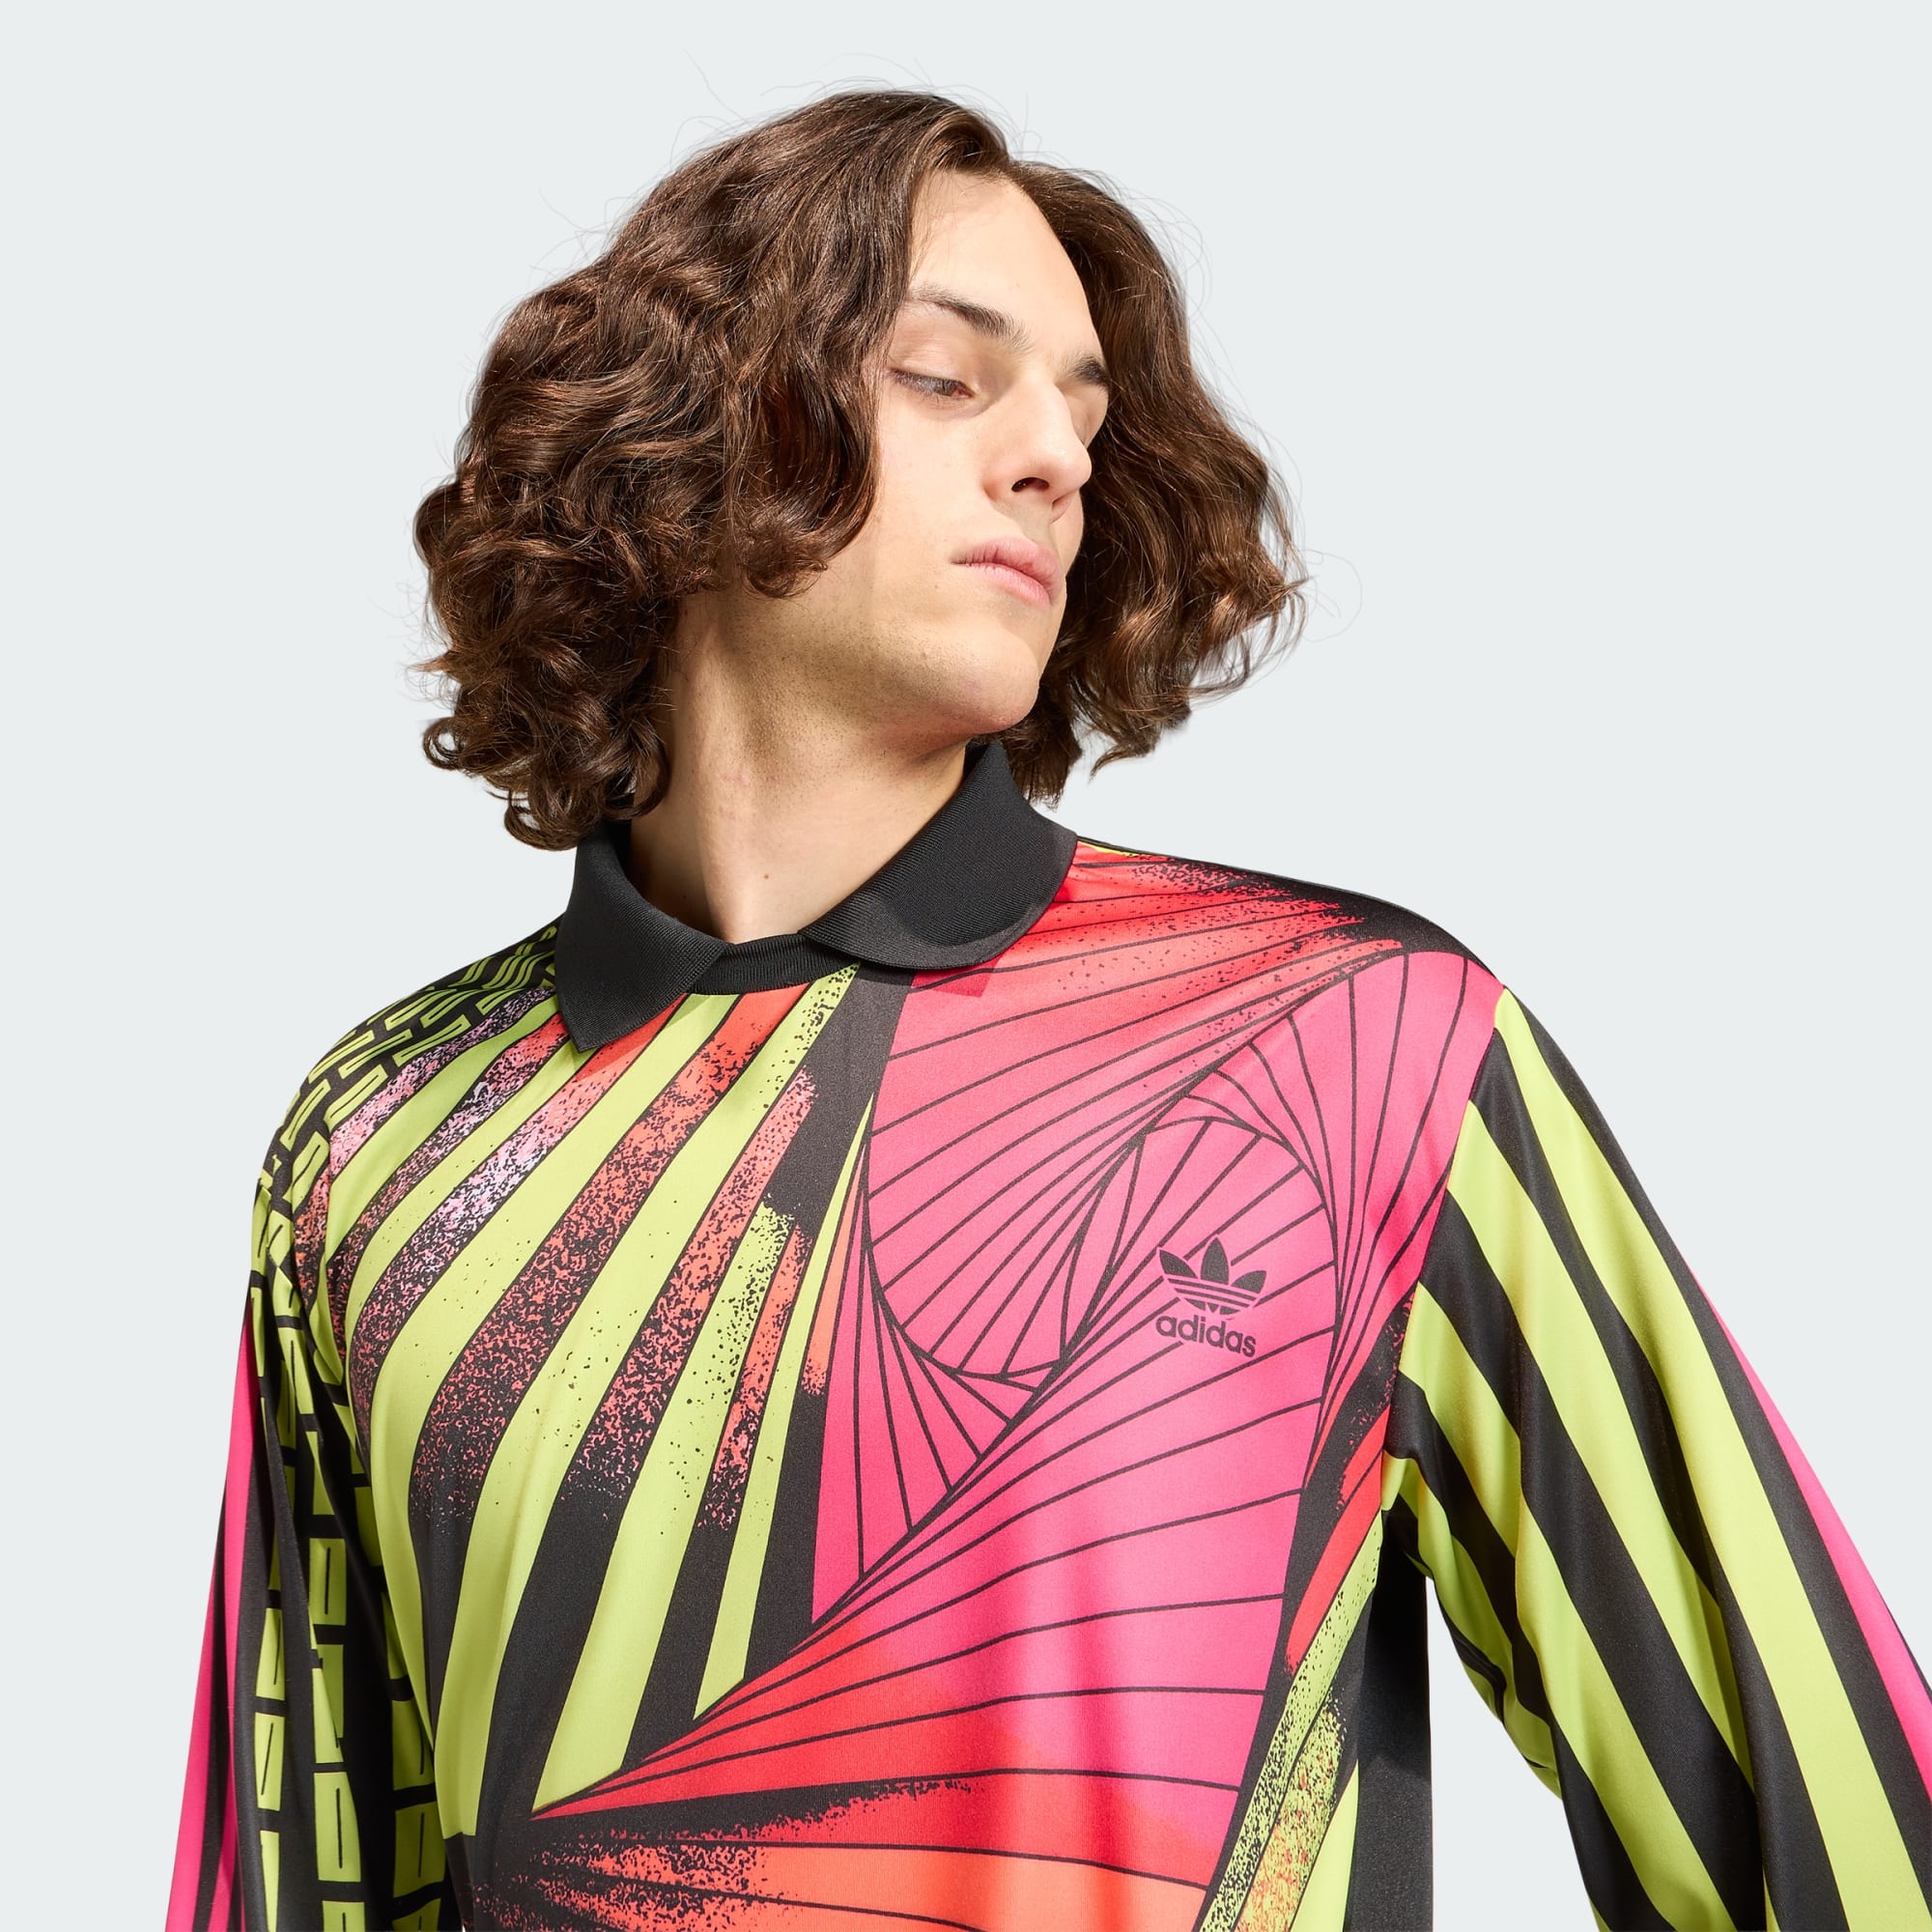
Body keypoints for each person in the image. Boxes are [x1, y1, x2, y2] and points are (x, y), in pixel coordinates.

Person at [166, 86, 1931, 1932]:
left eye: (1085, 417)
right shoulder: (384, 1138)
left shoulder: (1355, 1051)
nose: (1055, 461)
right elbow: (300, 1869)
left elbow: (1834, 1840)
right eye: (948, 376)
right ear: (681, 433)